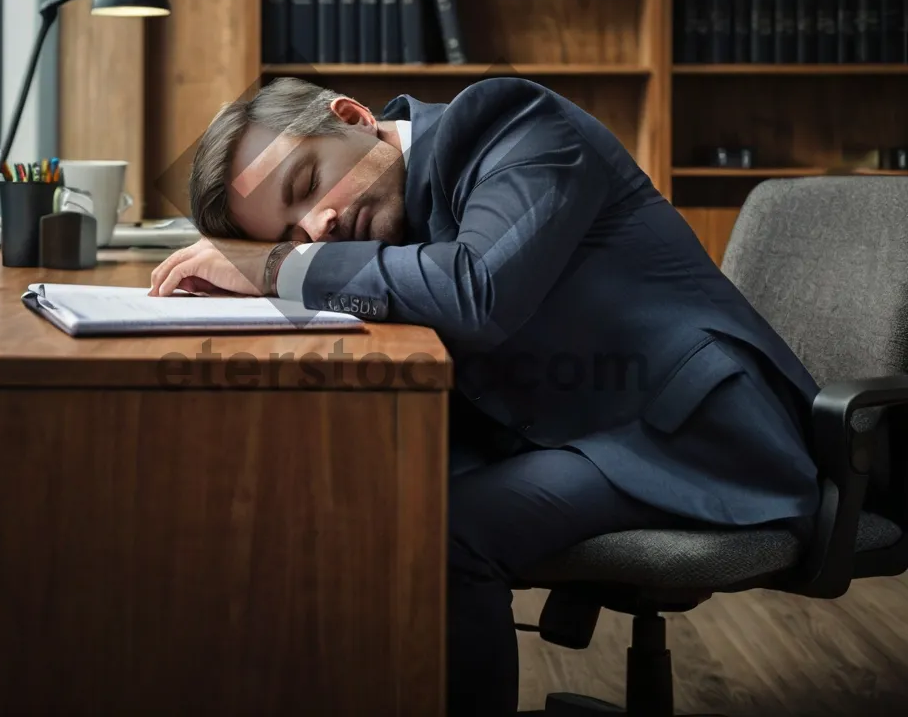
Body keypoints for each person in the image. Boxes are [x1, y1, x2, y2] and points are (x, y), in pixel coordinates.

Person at [149, 75, 821, 717]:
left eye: (306, 184)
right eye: (290, 234)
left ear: (352, 117)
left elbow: (477, 292)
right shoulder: (381, 216)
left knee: (441, 532)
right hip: (569, 426)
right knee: (345, 495)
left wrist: (274, 267)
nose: (316, 227)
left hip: (696, 430)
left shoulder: (514, 124)